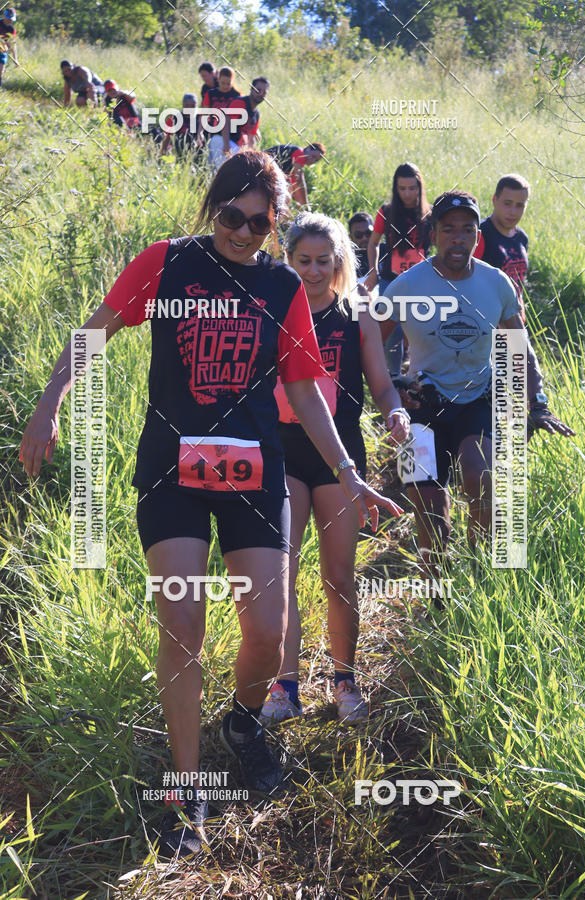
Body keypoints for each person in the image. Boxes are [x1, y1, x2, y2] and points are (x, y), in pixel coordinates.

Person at [20, 150, 402, 859]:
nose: (244, 232)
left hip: (256, 471)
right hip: (173, 470)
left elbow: (304, 389)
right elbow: (94, 332)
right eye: (232, 215)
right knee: (184, 621)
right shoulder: (168, 263)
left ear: (274, 225)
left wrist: (350, 471)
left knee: (265, 627)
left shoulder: (284, 284)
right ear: (213, 206)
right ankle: (187, 795)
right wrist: (49, 404)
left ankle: (243, 721)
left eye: (260, 224)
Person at [260, 212, 410, 726]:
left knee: (339, 576)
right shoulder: (273, 307)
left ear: (340, 260)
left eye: (324, 261)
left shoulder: (357, 312)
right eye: (304, 260)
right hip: (282, 451)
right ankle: (284, 687)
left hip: (341, 456)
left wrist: (395, 410)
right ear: (288, 259)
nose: (314, 270)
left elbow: (382, 382)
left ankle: (344, 681)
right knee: (280, 573)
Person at [381, 191, 574, 572]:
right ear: (433, 234)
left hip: (477, 398)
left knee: (480, 475)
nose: (458, 238)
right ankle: (434, 582)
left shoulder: (495, 283)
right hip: (422, 403)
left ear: (477, 236)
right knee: (428, 511)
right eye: (448, 229)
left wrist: (537, 402)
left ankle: (480, 573)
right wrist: (392, 385)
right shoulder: (407, 285)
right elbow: (372, 339)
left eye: (467, 230)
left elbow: (519, 345)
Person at [367, 163, 432, 376]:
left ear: (420, 188)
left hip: (420, 281)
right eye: (402, 188)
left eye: (412, 188)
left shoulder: (429, 214)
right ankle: (393, 378)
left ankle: (418, 376)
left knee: (420, 329)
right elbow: (373, 243)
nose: (407, 193)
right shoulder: (386, 212)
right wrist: (372, 271)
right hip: (391, 281)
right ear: (396, 189)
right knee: (391, 331)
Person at [473, 173, 530, 321]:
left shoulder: (522, 238)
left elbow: (519, 285)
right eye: (507, 203)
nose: (513, 212)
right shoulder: (479, 235)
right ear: (494, 200)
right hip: (485, 323)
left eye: (519, 205)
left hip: (515, 322)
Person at [202, 66, 241, 169]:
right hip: (212, 132)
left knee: (226, 165)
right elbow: (204, 114)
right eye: (223, 83)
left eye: (228, 83)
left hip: (232, 135)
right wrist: (199, 133)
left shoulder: (237, 95)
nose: (225, 86)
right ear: (218, 79)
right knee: (210, 164)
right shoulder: (210, 94)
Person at [265, 143, 326, 207]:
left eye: (316, 160)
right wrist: (306, 205)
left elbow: (295, 185)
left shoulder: (294, 163)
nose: (313, 160)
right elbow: (299, 180)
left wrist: (299, 205)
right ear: (308, 149)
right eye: (313, 156)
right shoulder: (299, 153)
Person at [220, 76, 269, 156]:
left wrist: (254, 156)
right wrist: (226, 145)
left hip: (236, 147)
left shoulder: (256, 114)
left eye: (264, 92)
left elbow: (251, 139)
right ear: (251, 89)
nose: (261, 94)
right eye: (258, 90)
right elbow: (225, 122)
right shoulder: (240, 103)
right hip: (223, 140)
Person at [160, 92, 203, 161]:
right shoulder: (174, 118)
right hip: (180, 149)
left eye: (192, 106)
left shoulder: (201, 118)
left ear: (197, 106)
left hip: (197, 149)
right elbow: (167, 138)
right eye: (187, 105)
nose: (189, 108)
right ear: (183, 105)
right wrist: (162, 155)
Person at [348, 212, 374, 280]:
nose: (364, 238)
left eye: (368, 233)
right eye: (358, 235)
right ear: (351, 237)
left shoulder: (388, 252)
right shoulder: (347, 261)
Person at [0, 8, 17, 88]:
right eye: (8, 19)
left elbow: (13, 44)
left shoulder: (11, 29)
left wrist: (15, 59)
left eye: (11, 19)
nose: (10, 21)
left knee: (1, 71)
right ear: (4, 17)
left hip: (3, 51)